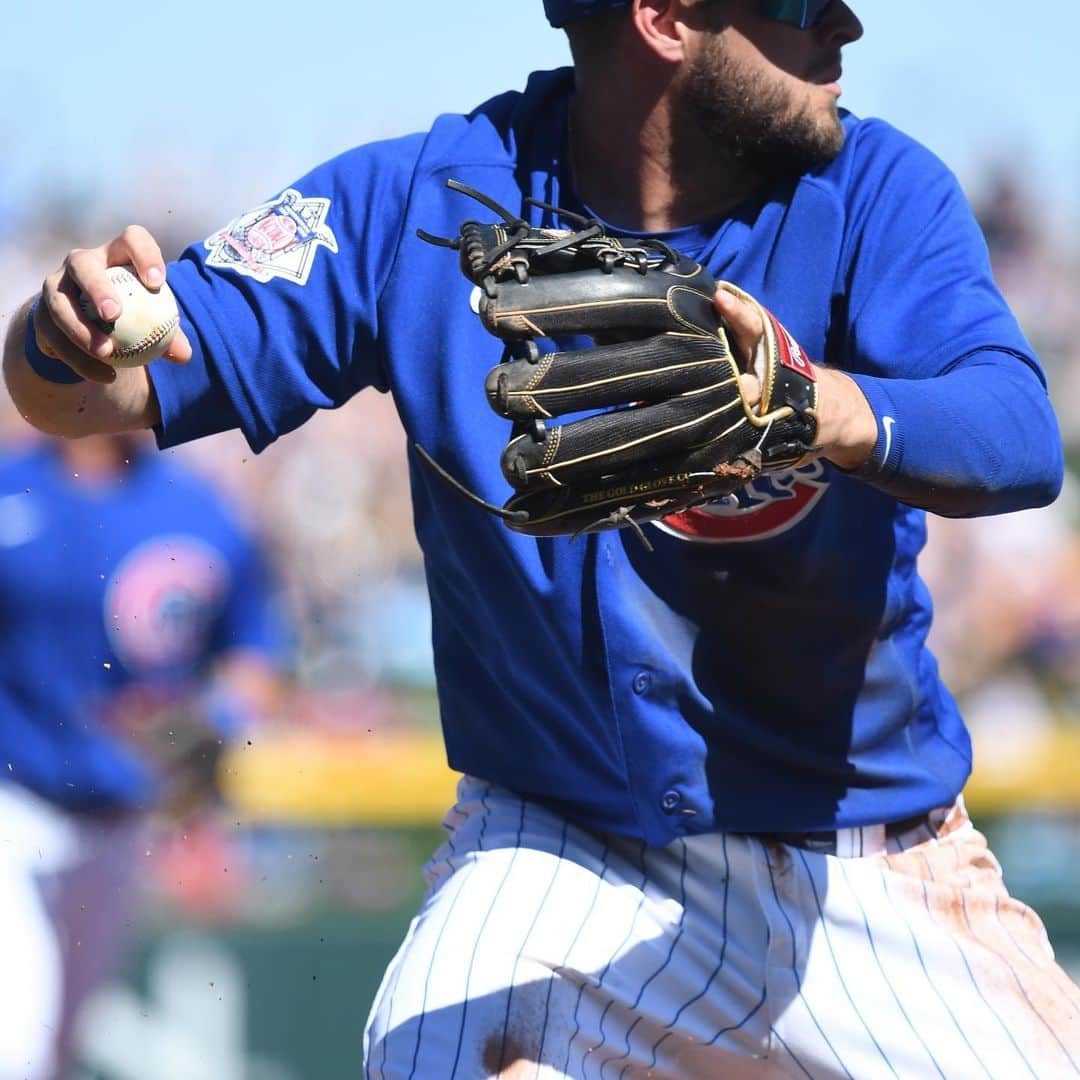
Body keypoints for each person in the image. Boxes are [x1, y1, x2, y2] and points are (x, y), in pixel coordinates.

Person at [4, 0, 1078, 1075]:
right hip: (561, 847)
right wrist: (58, 334)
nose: (842, 27)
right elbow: (94, 389)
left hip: (864, 862)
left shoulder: (874, 191)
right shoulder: (419, 205)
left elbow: (1018, 434)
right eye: (798, 3)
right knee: (434, 1057)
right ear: (664, 19)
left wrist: (820, 405)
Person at [0, 431, 288, 1080]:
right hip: (11, 801)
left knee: (53, 1051)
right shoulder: (10, 484)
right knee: (13, 1041)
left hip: (123, 816)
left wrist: (208, 721)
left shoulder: (199, 510)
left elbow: (255, 657)